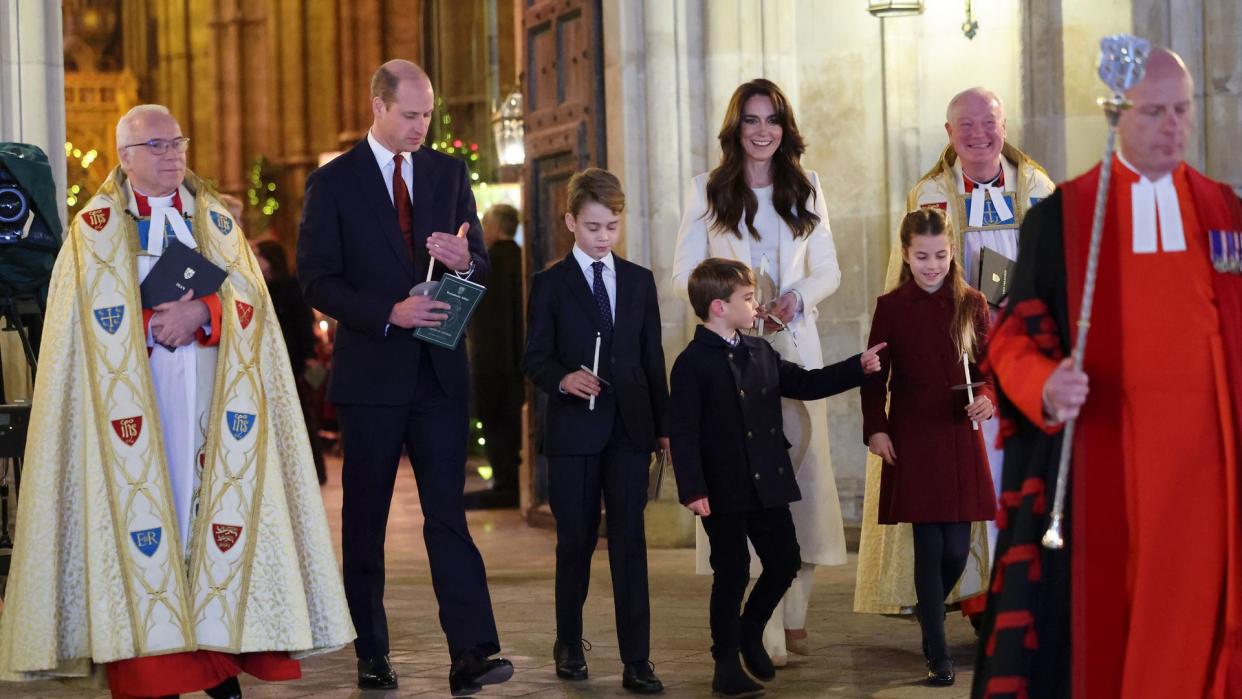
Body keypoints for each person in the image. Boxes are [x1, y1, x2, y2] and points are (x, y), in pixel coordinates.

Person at [0, 104, 354, 698]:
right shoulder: (93, 232)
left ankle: (217, 666)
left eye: (178, 143)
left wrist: (203, 312)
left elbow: (255, 309)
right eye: (158, 146)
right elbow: (72, 330)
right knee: (145, 529)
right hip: (131, 420)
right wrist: (141, 322)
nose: (173, 155)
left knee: (208, 524)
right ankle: (152, 672)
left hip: (211, 410)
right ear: (126, 158)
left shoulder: (214, 222)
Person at [974, 47, 1242, 699]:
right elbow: (1012, 335)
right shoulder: (1061, 218)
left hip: (1211, 478)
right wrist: (1044, 381)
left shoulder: (1225, 211)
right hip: (1107, 463)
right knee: (1106, 624)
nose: (1174, 126)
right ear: (1118, 112)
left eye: (1183, 110)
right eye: (1155, 112)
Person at [296, 60, 511, 696]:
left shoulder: (448, 173)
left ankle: (472, 653)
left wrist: (464, 260)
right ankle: (371, 653)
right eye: (411, 115)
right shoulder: (332, 183)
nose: (422, 126)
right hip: (371, 376)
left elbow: (480, 272)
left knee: (449, 516)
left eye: (428, 115)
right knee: (366, 520)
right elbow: (317, 278)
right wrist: (387, 311)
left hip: (441, 374)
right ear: (378, 106)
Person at [855, 87, 1055, 619]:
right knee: (969, 475)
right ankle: (971, 597)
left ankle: (1021, 591)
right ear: (949, 133)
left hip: (1027, 352)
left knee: (1020, 471)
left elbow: (1061, 268)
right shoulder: (930, 196)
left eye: (987, 122)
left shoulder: (1038, 188)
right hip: (963, 358)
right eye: (964, 125)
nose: (978, 134)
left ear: (1005, 125)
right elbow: (909, 287)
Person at [671, 78, 844, 664]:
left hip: (794, 348)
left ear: (785, 127)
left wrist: (795, 297)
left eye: (771, 119)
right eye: (751, 120)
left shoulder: (808, 187)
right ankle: (758, 629)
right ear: (736, 128)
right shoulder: (707, 190)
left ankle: (793, 614)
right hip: (731, 357)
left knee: (804, 490)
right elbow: (681, 275)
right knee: (743, 483)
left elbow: (829, 269)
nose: (762, 130)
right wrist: (730, 303)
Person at [669, 257, 881, 697]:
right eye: (747, 299)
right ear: (718, 308)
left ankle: (750, 630)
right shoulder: (692, 364)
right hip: (721, 488)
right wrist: (692, 489)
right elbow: (684, 433)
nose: (756, 305)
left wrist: (857, 367)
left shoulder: (760, 351)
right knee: (731, 572)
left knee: (784, 560)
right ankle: (725, 663)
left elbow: (806, 383)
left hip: (766, 479)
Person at [523, 168, 669, 694]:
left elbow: (652, 358)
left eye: (612, 226)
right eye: (592, 227)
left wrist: (663, 429)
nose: (603, 237)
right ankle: (569, 642)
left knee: (630, 544)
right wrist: (564, 377)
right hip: (573, 434)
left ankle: (638, 659)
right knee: (576, 542)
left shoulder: (638, 280)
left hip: (630, 430)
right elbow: (533, 357)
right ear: (570, 223)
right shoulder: (549, 284)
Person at [862, 208, 996, 685]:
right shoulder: (891, 306)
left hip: (958, 433)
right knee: (928, 545)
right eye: (922, 257)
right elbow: (873, 376)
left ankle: (930, 607)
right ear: (905, 254)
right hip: (914, 433)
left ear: (953, 251)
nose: (932, 265)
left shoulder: (973, 302)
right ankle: (937, 653)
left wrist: (986, 398)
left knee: (955, 550)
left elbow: (989, 368)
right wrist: (876, 428)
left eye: (940, 255)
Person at [464, 203, 524, 509]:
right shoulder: (523, 258)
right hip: (519, 362)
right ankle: (514, 482)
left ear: (496, 227)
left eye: (485, 224)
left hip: (490, 362)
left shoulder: (485, 264)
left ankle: (506, 483)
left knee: (497, 425)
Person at [254, 240, 326, 485]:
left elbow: (302, 324)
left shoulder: (288, 285)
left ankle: (313, 470)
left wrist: (306, 356)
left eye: (258, 255)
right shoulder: (260, 285)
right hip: (275, 358)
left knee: (301, 414)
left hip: (292, 358)